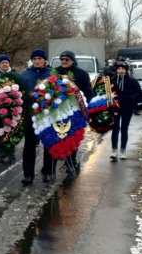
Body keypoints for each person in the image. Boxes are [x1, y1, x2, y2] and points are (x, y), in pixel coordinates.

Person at [54, 50, 95, 178]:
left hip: (75, 111)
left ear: (73, 60)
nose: (64, 61)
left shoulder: (82, 74)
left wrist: (87, 108)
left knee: (72, 138)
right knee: (58, 138)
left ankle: (70, 163)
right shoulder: (55, 72)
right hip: (57, 111)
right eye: (62, 59)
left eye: (67, 59)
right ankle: (53, 166)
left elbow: (88, 93)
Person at [19, 49, 53, 185]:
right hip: (31, 115)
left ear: (44, 60)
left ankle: (47, 172)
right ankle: (28, 174)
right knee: (29, 145)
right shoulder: (25, 74)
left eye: (40, 58)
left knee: (49, 144)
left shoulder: (51, 74)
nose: (37, 61)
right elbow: (19, 92)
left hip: (47, 115)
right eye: (34, 59)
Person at [0, 54, 27, 164]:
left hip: (13, 108)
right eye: (2, 62)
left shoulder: (15, 74)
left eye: (6, 62)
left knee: (11, 130)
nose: (5, 64)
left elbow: (21, 88)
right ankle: (1, 152)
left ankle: (11, 152)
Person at [109, 61, 142, 160]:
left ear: (126, 70)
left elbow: (139, 93)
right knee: (115, 129)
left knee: (124, 128)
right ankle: (114, 151)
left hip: (127, 108)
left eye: (123, 69)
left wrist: (130, 99)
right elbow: (105, 92)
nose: (121, 70)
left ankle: (123, 150)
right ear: (116, 70)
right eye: (119, 69)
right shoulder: (111, 81)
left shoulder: (132, 81)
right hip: (115, 108)